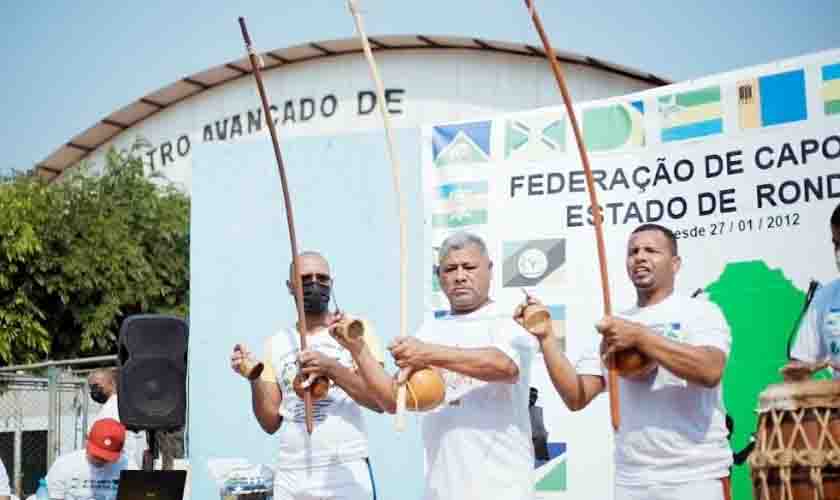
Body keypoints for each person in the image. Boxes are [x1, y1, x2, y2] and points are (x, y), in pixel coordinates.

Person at [517, 223, 732, 500]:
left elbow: (710, 370)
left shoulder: (700, 312)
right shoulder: (615, 324)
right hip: (632, 480)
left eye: (651, 250)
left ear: (675, 263)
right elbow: (576, 396)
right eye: (633, 252)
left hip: (695, 476)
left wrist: (641, 336)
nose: (640, 257)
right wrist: (547, 338)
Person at [332, 231, 535, 500]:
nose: (460, 276)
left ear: (489, 270)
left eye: (469, 267)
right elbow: (395, 401)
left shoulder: (506, 323)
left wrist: (427, 353)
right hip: (442, 489)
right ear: (440, 276)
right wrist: (358, 349)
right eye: (450, 269)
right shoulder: (430, 329)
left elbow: (505, 367)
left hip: (503, 488)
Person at [230, 251, 384, 500]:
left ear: (332, 284)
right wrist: (253, 376)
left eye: (322, 278)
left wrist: (331, 368)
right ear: (290, 287)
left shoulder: (354, 330)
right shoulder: (276, 343)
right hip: (291, 472)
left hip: (344, 467)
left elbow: (379, 401)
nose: (315, 284)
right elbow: (270, 423)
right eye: (305, 278)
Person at [782, 202, 840, 381]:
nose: (838, 254)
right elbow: (798, 366)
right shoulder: (825, 297)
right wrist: (797, 373)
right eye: (836, 244)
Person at [47, 418, 138, 500]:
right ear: (87, 441)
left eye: (106, 458)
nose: (99, 460)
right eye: (96, 455)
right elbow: (54, 496)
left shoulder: (128, 467)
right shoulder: (64, 465)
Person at [86, 368, 146, 467]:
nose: (94, 391)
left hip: (115, 470)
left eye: (97, 386)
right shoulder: (130, 406)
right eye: (91, 387)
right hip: (132, 468)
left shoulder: (110, 410)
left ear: (112, 383)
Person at [529, 387, 549, 467]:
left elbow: (541, 432)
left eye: (535, 396)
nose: (534, 398)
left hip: (538, 451)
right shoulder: (534, 410)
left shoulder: (536, 410)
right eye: (531, 396)